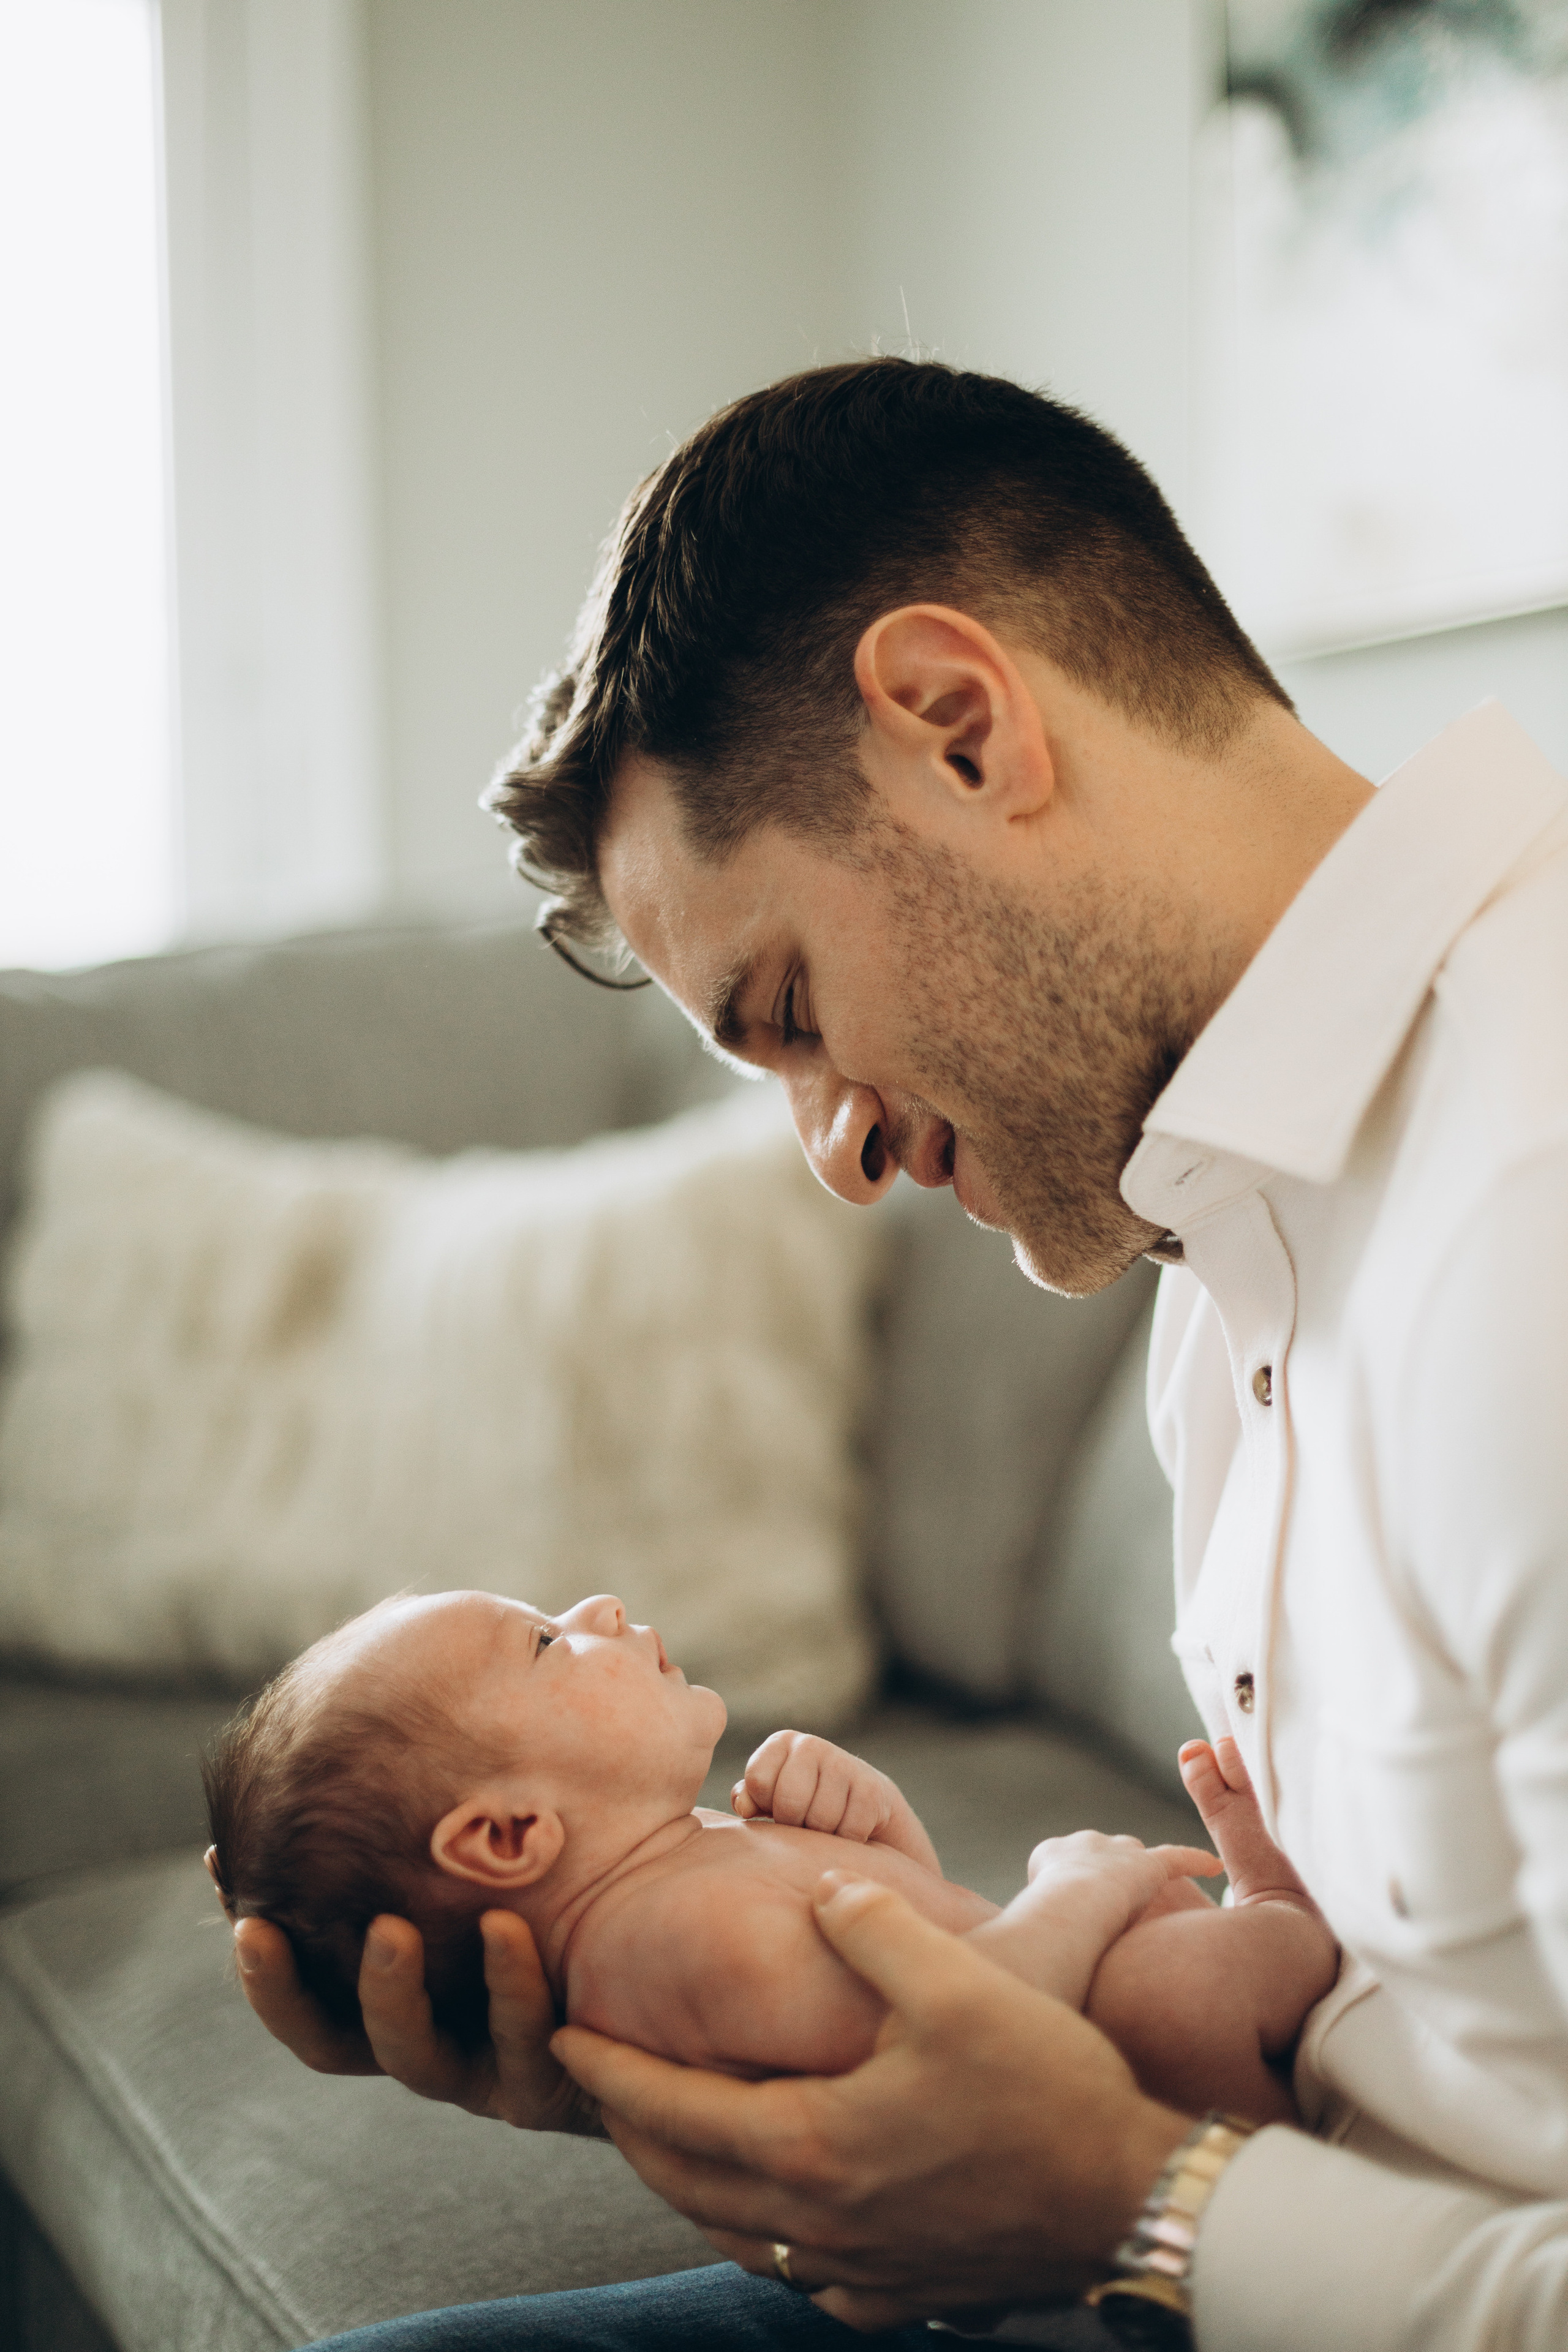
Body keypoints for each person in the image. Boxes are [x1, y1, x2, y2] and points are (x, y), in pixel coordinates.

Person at [230, 359, 1568, 2350]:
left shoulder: (1524, 1213)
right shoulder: (1221, 1227)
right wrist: (729, 2060)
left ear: (961, 727)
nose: (836, 1155)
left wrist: (1137, 2204)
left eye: (789, 1007)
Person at [202, 1587, 1335, 2120]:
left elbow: (928, 1923)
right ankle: (1284, 1919)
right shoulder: (673, 1942)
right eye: (547, 1639)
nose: (596, 1605)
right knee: (1166, 1990)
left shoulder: (680, 1872)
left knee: (1151, 1965)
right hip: (1094, 2146)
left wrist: (878, 1836)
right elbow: (959, 2031)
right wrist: (1079, 1890)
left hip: (1076, 2108)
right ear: (509, 1835)